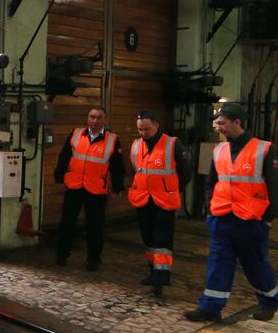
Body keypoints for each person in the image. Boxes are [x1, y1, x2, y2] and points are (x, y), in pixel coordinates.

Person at [187, 103, 278, 323]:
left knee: (255, 264)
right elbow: (211, 182)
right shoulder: (219, 150)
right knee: (218, 263)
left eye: (222, 123)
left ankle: (269, 302)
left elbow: (275, 187)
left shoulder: (264, 149)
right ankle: (210, 308)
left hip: (252, 220)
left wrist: (268, 219)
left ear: (237, 122)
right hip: (222, 218)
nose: (218, 128)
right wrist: (211, 207)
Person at [127, 110, 192, 297]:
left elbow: (186, 174)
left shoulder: (172, 144)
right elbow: (137, 170)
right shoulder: (136, 146)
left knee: (162, 240)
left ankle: (161, 279)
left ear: (156, 125)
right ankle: (153, 271)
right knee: (148, 238)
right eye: (140, 129)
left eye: (146, 129)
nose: (143, 133)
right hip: (143, 199)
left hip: (164, 200)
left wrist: (170, 190)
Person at [52, 105, 124, 271]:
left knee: (95, 226)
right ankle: (62, 255)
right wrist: (59, 180)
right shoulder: (76, 134)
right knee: (67, 223)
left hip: (96, 189)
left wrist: (117, 190)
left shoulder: (112, 140)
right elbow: (63, 158)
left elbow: (118, 167)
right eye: (92, 117)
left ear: (104, 120)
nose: (95, 120)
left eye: (99, 117)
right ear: (87, 118)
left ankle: (93, 260)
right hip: (74, 186)